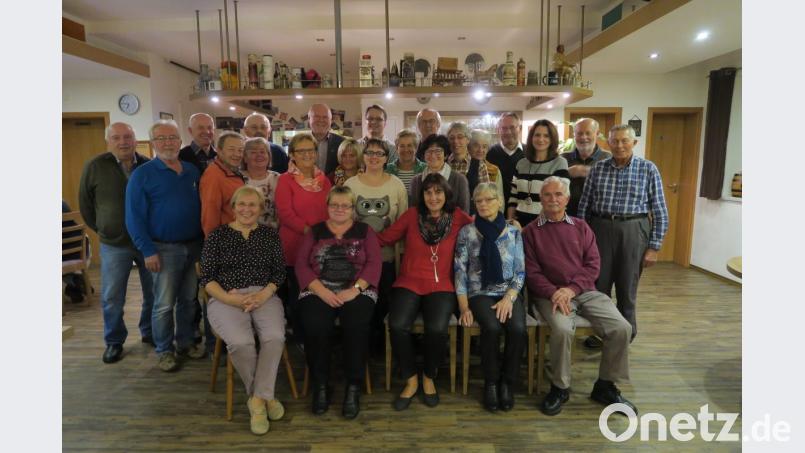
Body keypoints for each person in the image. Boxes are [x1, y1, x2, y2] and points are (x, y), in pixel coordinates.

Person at [523, 176, 635, 416]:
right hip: (550, 295)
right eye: (547, 195)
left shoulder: (581, 227)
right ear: (540, 199)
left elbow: (593, 265)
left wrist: (571, 289)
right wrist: (555, 292)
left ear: (567, 199)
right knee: (563, 329)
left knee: (622, 328)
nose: (553, 199)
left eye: (558, 194)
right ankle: (560, 387)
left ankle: (605, 386)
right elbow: (531, 272)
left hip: (585, 292)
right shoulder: (530, 232)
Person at [378, 173, 473, 410]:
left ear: (446, 194)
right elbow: (386, 238)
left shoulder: (458, 217)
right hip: (409, 282)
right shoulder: (412, 215)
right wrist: (353, 232)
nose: (433, 197)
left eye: (438, 192)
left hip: (443, 286)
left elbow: (481, 229)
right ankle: (411, 379)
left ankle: (429, 376)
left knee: (437, 328)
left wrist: (512, 228)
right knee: (397, 325)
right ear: (422, 195)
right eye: (428, 192)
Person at [200, 185, 288, 435]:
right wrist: (232, 300)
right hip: (226, 297)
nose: (247, 209)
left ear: (260, 209)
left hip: (263, 295)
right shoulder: (217, 236)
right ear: (233, 207)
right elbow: (207, 279)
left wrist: (262, 295)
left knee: (274, 337)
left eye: (252, 205)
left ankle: (257, 400)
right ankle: (264, 397)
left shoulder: (269, 235)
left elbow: (279, 273)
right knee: (241, 343)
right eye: (242, 204)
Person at [577, 125, 669, 347]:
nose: (619, 145)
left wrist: (654, 247)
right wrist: (581, 241)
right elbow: (584, 207)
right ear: (608, 143)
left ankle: (625, 335)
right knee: (599, 286)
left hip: (633, 230)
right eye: (615, 141)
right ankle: (600, 333)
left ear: (634, 143)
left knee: (627, 288)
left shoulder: (648, 169)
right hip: (600, 229)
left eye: (624, 141)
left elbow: (660, 211)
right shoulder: (598, 169)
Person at [295, 186, 382, 419]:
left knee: (356, 326)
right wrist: (321, 291)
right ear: (327, 206)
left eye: (345, 205)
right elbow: (301, 264)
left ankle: (353, 386)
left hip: (357, 290)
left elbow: (374, 263)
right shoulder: (315, 231)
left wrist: (355, 290)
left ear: (353, 208)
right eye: (335, 205)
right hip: (318, 290)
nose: (340, 209)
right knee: (316, 326)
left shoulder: (365, 231)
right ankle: (321, 385)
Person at [125, 120, 205, 371]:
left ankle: (185, 343)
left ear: (180, 141)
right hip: (162, 249)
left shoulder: (191, 171)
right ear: (152, 143)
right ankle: (164, 350)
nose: (168, 143)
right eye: (161, 138)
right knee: (163, 304)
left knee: (189, 300)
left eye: (172, 137)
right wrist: (147, 250)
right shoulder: (142, 175)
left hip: (193, 246)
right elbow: (134, 217)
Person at [79, 122, 155, 363]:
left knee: (153, 292)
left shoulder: (148, 165)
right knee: (112, 297)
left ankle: (149, 331)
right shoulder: (95, 166)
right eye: (116, 137)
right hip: (114, 244)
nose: (123, 142)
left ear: (135, 139)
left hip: (147, 243)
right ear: (108, 141)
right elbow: (85, 205)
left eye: (127, 137)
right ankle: (114, 341)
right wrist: (104, 227)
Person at [454, 183, 526, 412]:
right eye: (479, 201)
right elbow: (459, 271)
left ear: (499, 202)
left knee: (517, 329)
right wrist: (464, 307)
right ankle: (491, 383)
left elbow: (520, 271)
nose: (483, 204)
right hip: (479, 292)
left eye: (488, 199)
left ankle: (508, 382)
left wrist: (509, 298)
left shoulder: (513, 232)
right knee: (492, 328)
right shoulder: (467, 232)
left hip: (508, 292)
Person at [344, 138, 408, 351]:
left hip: (387, 258)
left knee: (384, 304)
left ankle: (382, 349)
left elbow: (402, 224)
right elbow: (344, 223)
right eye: (369, 152)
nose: (373, 157)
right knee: (360, 306)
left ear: (386, 158)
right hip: (357, 261)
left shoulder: (396, 185)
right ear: (363, 156)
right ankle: (364, 349)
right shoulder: (351, 184)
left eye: (379, 153)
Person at [275, 133, 333, 342]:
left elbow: (331, 209)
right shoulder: (285, 180)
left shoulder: (324, 180)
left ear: (316, 153)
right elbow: (285, 213)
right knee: (299, 293)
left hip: (321, 247)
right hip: (295, 246)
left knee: (319, 292)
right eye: (301, 151)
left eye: (311, 150)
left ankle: (319, 336)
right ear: (292, 155)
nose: (307, 154)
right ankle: (301, 337)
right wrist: (311, 232)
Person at [508, 119, 569, 227]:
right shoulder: (521, 163)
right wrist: (511, 224)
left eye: (546, 136)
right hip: (518, 225)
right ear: (531, 137)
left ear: (552, 139)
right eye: (537, 135)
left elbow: (559, 200)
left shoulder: (560, 163)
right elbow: (513, 197)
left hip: (545, 226)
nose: (541, 139)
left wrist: (533, 229)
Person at [560, 118, 611, 216]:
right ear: (574, 135)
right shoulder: (563, 158)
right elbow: (551, 184)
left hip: (598, 218)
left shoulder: (609, 158)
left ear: (597, 134)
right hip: (568, 217)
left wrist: (590, 171)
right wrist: (566, 173)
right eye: (579, 133)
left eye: (588, 133)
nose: (583, 137)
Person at [200, 131, 246, 237]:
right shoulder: (214, 176)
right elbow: (210, 215)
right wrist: (213, 243)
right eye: (231, 149)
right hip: (226, 239)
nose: (237, 154)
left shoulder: (231, 170)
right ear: (219, 151)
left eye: (240, 150)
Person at [409, 134, 470, 213]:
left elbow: (464, 212)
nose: (433, 155)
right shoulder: (416, 181)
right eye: (429, 151)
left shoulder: (459, 180)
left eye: (438, 151)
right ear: (424, 156)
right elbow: (413, 212)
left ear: (446, 155)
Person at [446, 121, 490, 206]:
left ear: (468, 140)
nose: (455, 141)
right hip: (447, 212)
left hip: (471, 213)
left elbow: (485, 196)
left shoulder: (480, 166)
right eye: (451, 138)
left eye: (460, 137)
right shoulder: (443, 164)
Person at [486, 112, 525, 205]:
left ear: (520, 128)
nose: (508, 132)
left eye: (512, 127)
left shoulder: (530, 153)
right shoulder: (489, 153)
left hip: (523, 208)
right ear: (498, 130)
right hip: (496, 208)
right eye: (504, 128)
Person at [243, 137, 281, 229]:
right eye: (253, 152)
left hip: (272, 232)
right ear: (245, 158)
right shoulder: (237, 178)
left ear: (269, 156)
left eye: (263, 152)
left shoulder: (278, 178)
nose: (259, 155)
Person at [469, 129, 505, 208]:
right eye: (476, 145)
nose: (480, 150)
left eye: (484, 146)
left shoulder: (494, 170)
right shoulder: (463, 166)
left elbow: (500, 199)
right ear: (469, 147)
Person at [308, 103, 345, 174]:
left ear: (331, 121)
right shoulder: (299, 143)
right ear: (309, 119)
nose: (321, 120)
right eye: (317, 116)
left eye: (325, 117)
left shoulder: (342, 143)